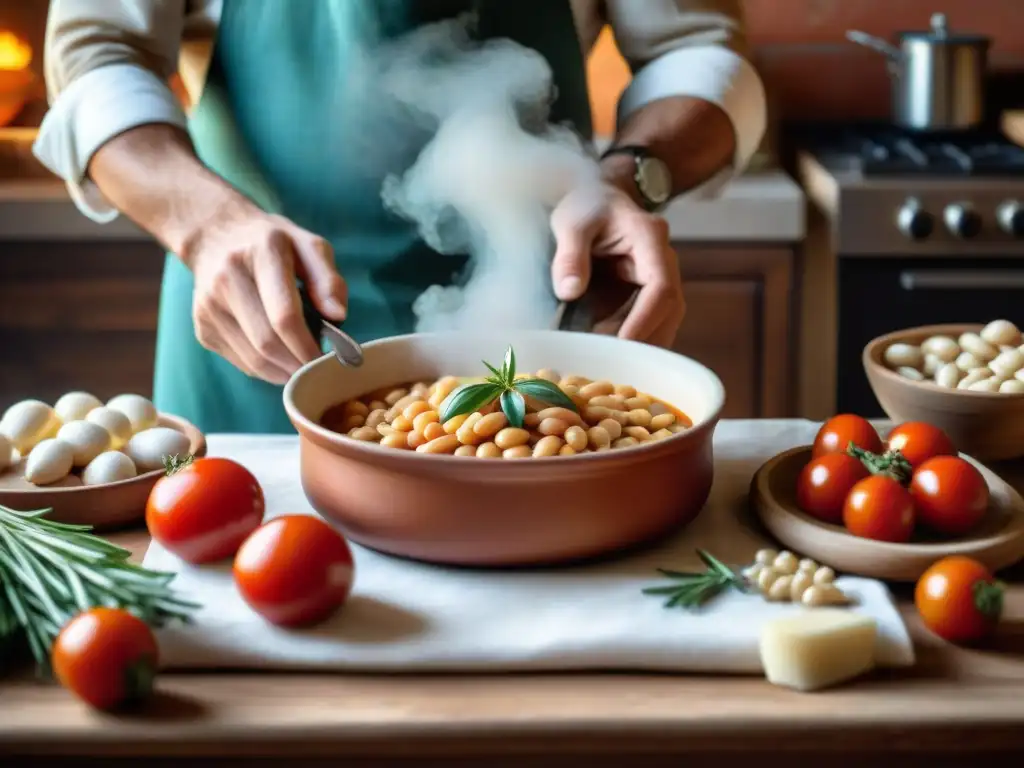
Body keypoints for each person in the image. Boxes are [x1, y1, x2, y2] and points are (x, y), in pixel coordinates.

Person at [35, 0, 766, 434]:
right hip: (256, 312)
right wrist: (206, 224)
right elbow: (98, 53)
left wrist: (629, 178)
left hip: (553, 319)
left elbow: (694, 46)